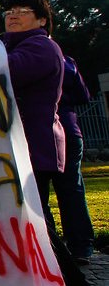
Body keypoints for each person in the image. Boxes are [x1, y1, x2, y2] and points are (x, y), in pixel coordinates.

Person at [53, 55, 94, 264]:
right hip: (69, 128)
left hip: (50, 128)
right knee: (72, 189)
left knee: (43, 190)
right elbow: (82, 95)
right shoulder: (67, 61)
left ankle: (56, 247)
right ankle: (81, 245)